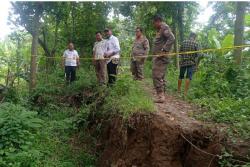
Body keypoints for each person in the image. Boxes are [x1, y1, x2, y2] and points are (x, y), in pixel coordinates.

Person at [152, 15, 175, 103]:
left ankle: (160, 96)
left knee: (156, 74)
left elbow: (172, 38)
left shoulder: (164, 27)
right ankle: (162, 95)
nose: (153, 25)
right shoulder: (160, 29)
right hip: (159, 57)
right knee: (161, 76)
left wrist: (164, 50)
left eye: (154, 23)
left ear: (158, 21)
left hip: (161, 57)